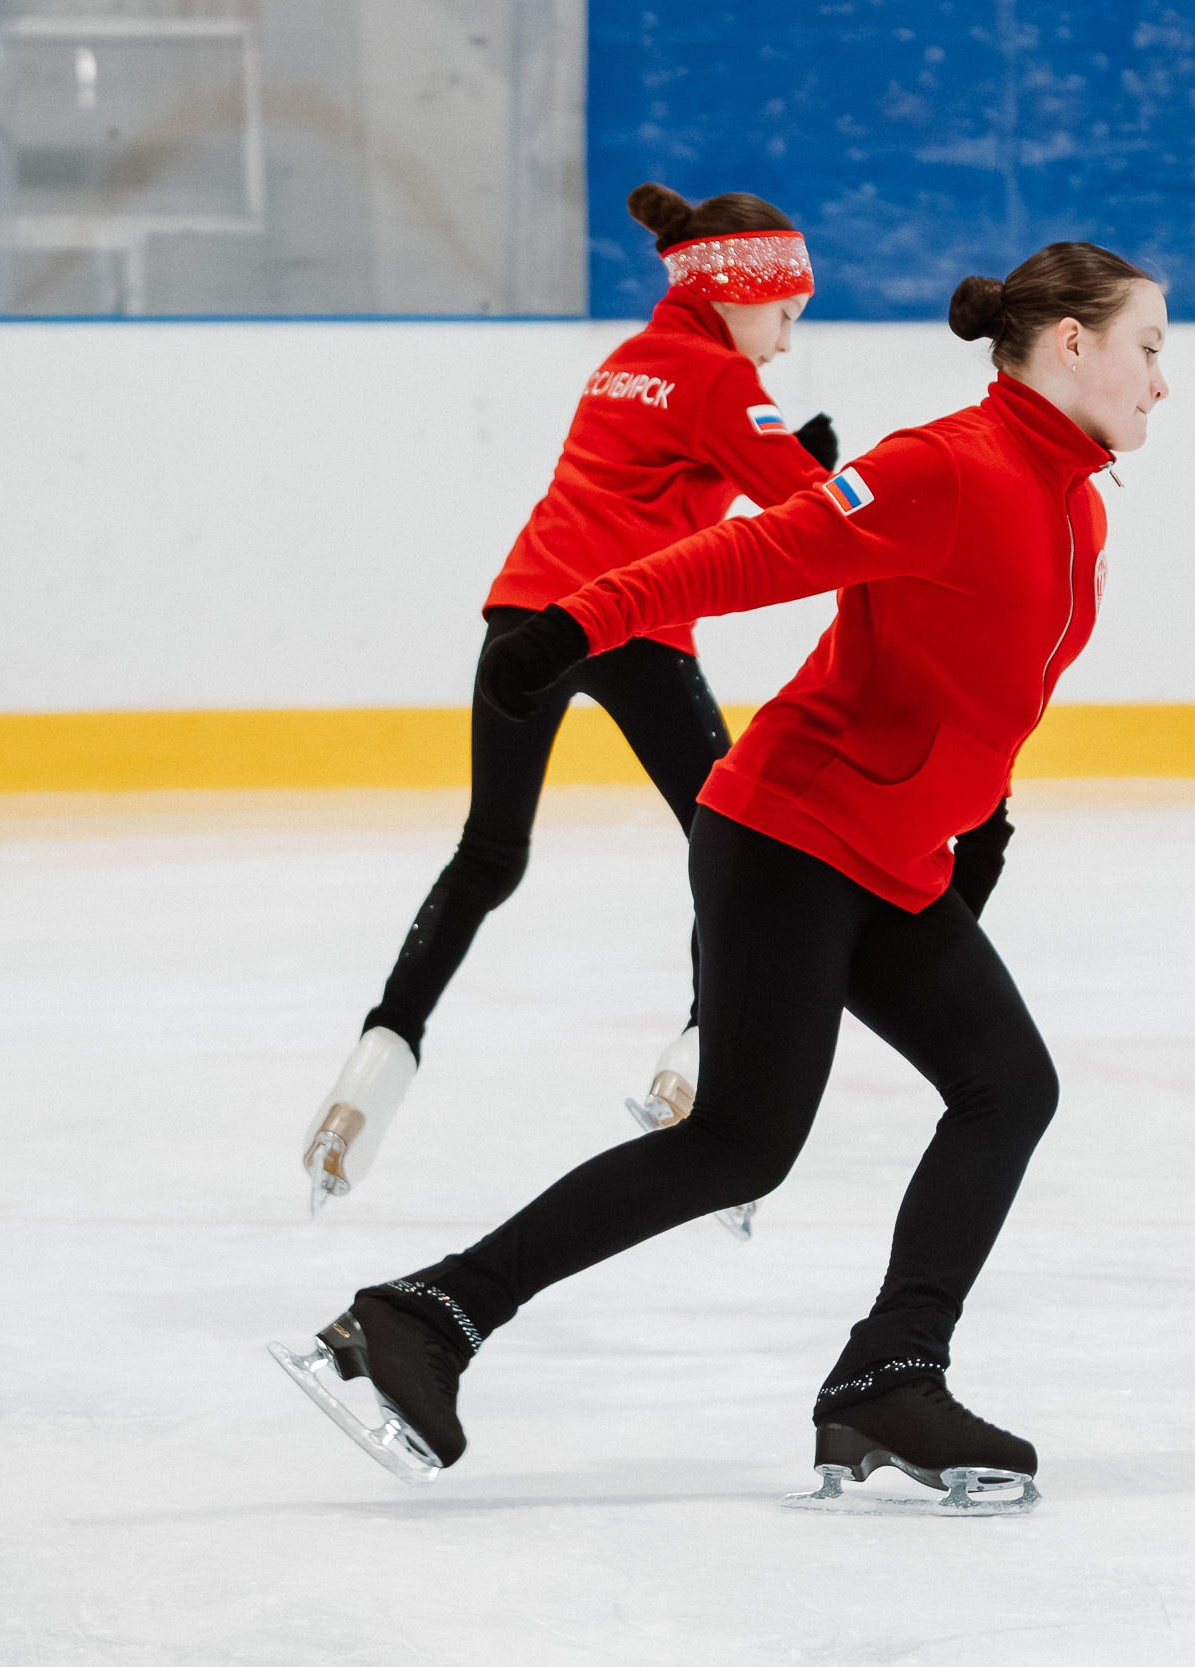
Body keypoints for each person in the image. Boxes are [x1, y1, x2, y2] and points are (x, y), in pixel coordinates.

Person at [273, 241, 1171, 1515]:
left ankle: (890, 1372)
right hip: (792, 834)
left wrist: (985, 813)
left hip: (890, 854)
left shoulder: (1072, 500)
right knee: (741, 1142)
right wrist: (579, 622)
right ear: (1071, 342)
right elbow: (754, 555)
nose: (1160, 380)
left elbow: (982, 668)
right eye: (1148, 346)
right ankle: (422, 1316)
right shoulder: (942, 465)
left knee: (1006, 1084)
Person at [297, 183, 842, 1233]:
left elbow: (652, 488)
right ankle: (702, 1057)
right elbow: (807, 518)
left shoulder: (625, 365)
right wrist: (826, 475)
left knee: (488, 855)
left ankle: (380, 1053)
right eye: (785, 312)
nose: (785, 340)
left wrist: (783, 464)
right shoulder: (721, 380)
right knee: (736, 851)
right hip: (627, 627)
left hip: (522, 619)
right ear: (739, 292)